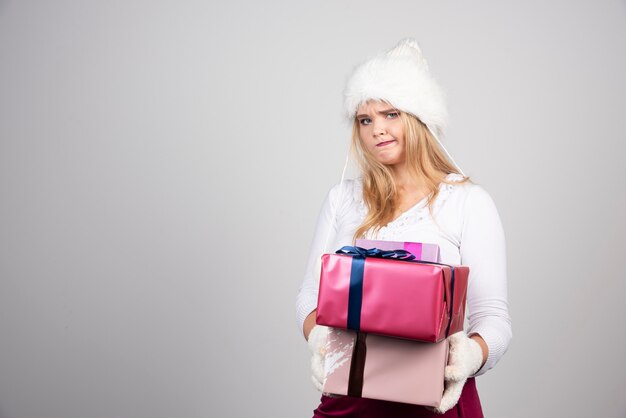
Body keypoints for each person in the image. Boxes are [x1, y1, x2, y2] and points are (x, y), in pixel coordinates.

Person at [295, 38, 512, 417]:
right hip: (351, 401)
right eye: (366, 119)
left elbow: (493, 318)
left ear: (418, 117)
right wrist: (318, 338)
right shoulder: (342, 199)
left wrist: (470, 356)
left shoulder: (467, 201)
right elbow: (309, 298)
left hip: (436, 404)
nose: (377, 129)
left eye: (391, 114)